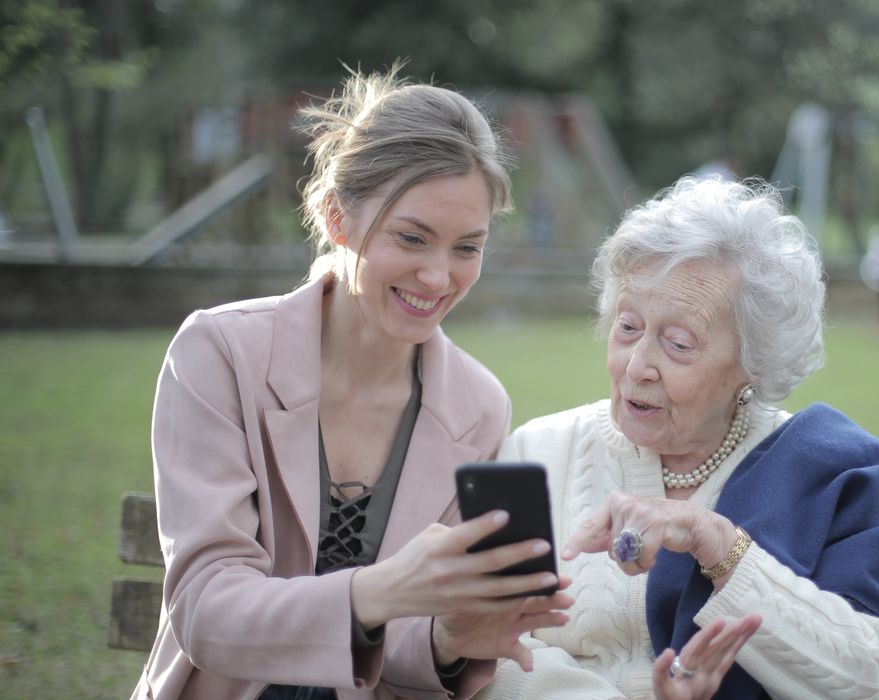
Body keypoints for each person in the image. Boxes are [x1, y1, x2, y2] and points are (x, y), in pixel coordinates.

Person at [132, 66, 574, 699]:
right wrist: (379, 591)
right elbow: (207, 609)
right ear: (338, 217)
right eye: (411, 237)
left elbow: (408, 642)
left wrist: (448, 640)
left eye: (466, 248)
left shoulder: (477, 407)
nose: (437, 277)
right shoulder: (219, 352)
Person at [479, 177, 879, 699]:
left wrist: (718, 545)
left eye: (678, 343)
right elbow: (487, 648)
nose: (638, 365)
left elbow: (870, 674)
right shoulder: (533, 452)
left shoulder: (837, 472)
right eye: (628, 327)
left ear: (755, 363)